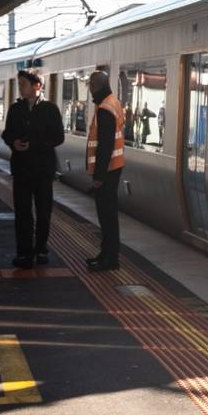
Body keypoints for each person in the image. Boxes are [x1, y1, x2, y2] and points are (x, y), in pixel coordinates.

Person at [1, 70, 65, 268]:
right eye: (19, 83)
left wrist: (34, 144)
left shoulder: (50, 109)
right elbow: (6, 134)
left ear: (37, 85)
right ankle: (24, 253)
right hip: (21, 168)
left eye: (23, 84)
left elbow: (58, 137)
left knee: (43, 212)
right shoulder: (15, 109)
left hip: (43, 169)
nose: (20, 87)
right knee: (22, 212)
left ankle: (41, 249)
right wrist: (14, 142)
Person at [86, 70, 124, 271]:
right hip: (114, 168)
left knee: (107, 217)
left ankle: (110, 259)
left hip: (107, 171)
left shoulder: (104, 108)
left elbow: (105, 145)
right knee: (108, 216)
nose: (89, 88)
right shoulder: (112, 102)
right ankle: (106, 254)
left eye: (90, 84)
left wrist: (99, 177)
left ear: (95, 86)